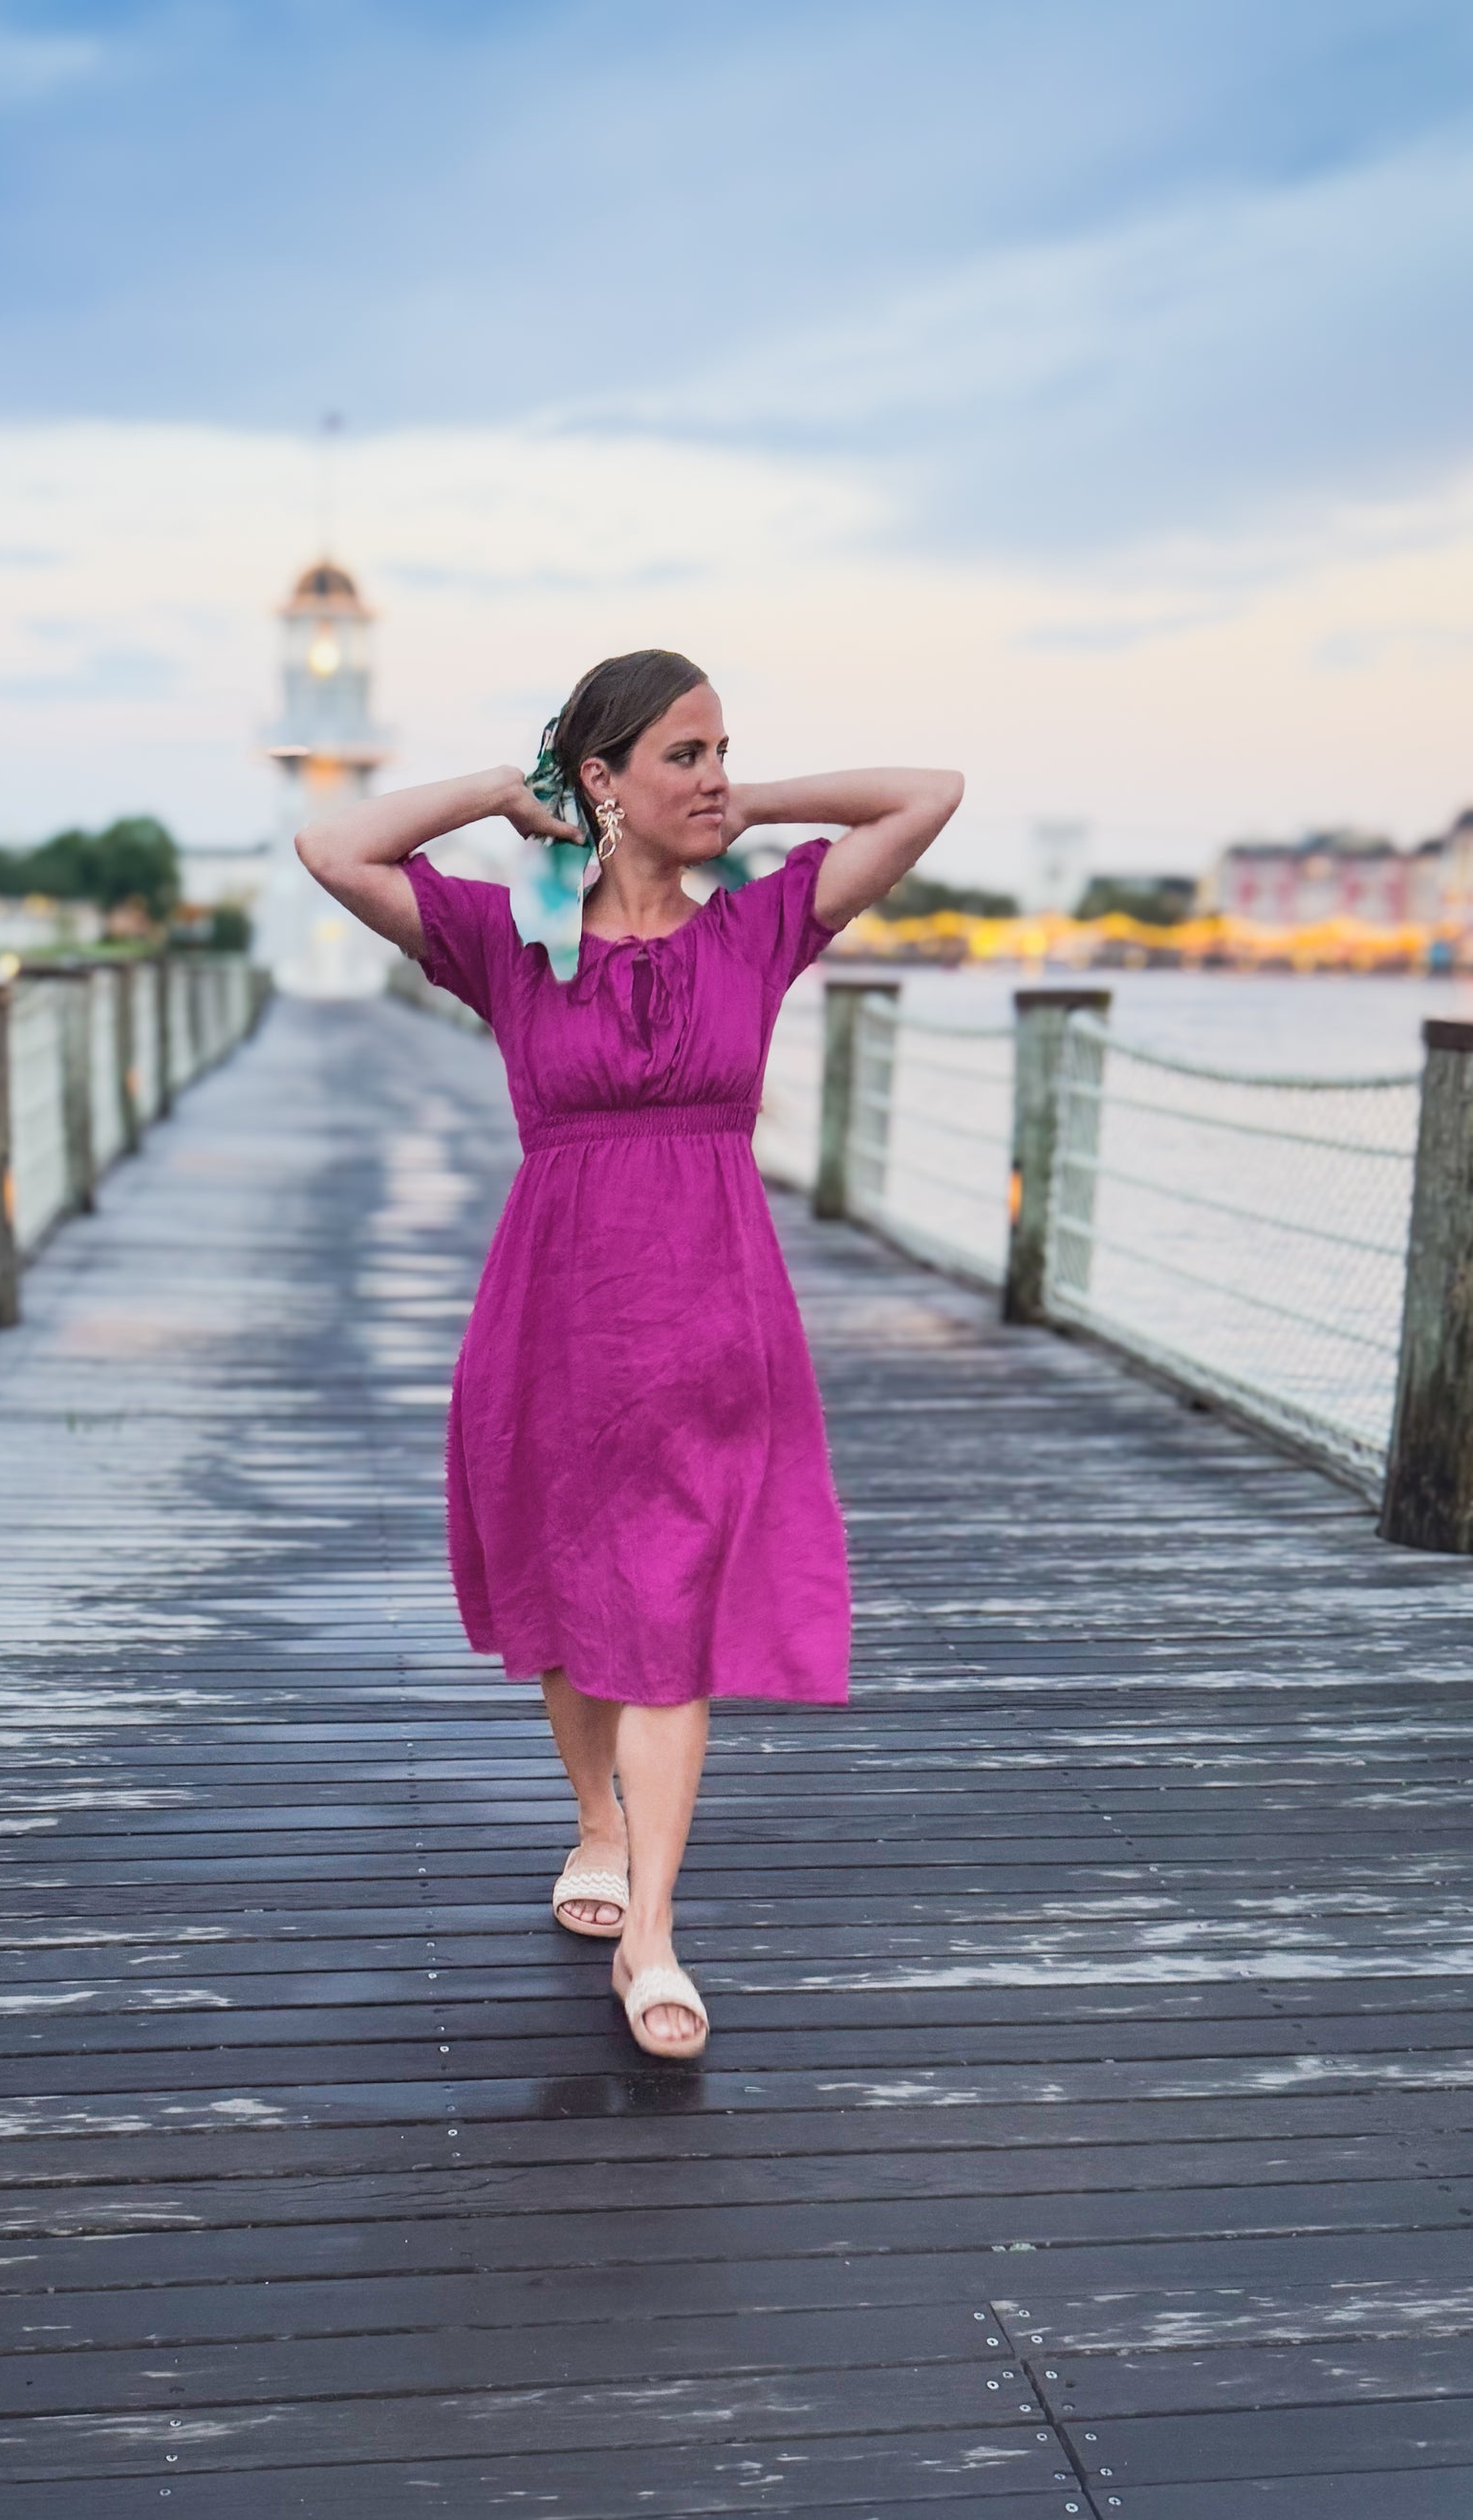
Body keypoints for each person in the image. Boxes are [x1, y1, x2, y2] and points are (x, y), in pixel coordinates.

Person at [296, 650, 963, 2059]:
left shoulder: (759, 927)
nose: (714, 772)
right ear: (599, 779)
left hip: (716, 1320)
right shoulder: (504, 938)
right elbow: (329, 841)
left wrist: (740, 806)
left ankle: (651, 1929)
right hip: (557, 1314)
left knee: (669, 1626)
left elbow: (926, 794)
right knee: (566, 1598)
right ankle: (592, 1820)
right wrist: (505, 795)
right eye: (683, 754)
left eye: (722, 748)